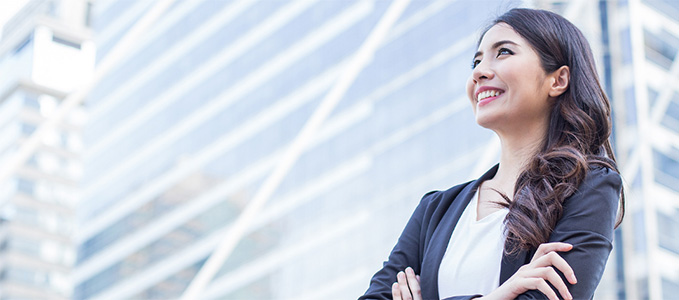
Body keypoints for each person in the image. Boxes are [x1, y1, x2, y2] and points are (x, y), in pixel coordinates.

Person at [359, 8, 624, 300]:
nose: (478, 72)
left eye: (504, 52)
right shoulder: (434, 211)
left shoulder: (589, 186)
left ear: (558, 80)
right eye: (476, 60)